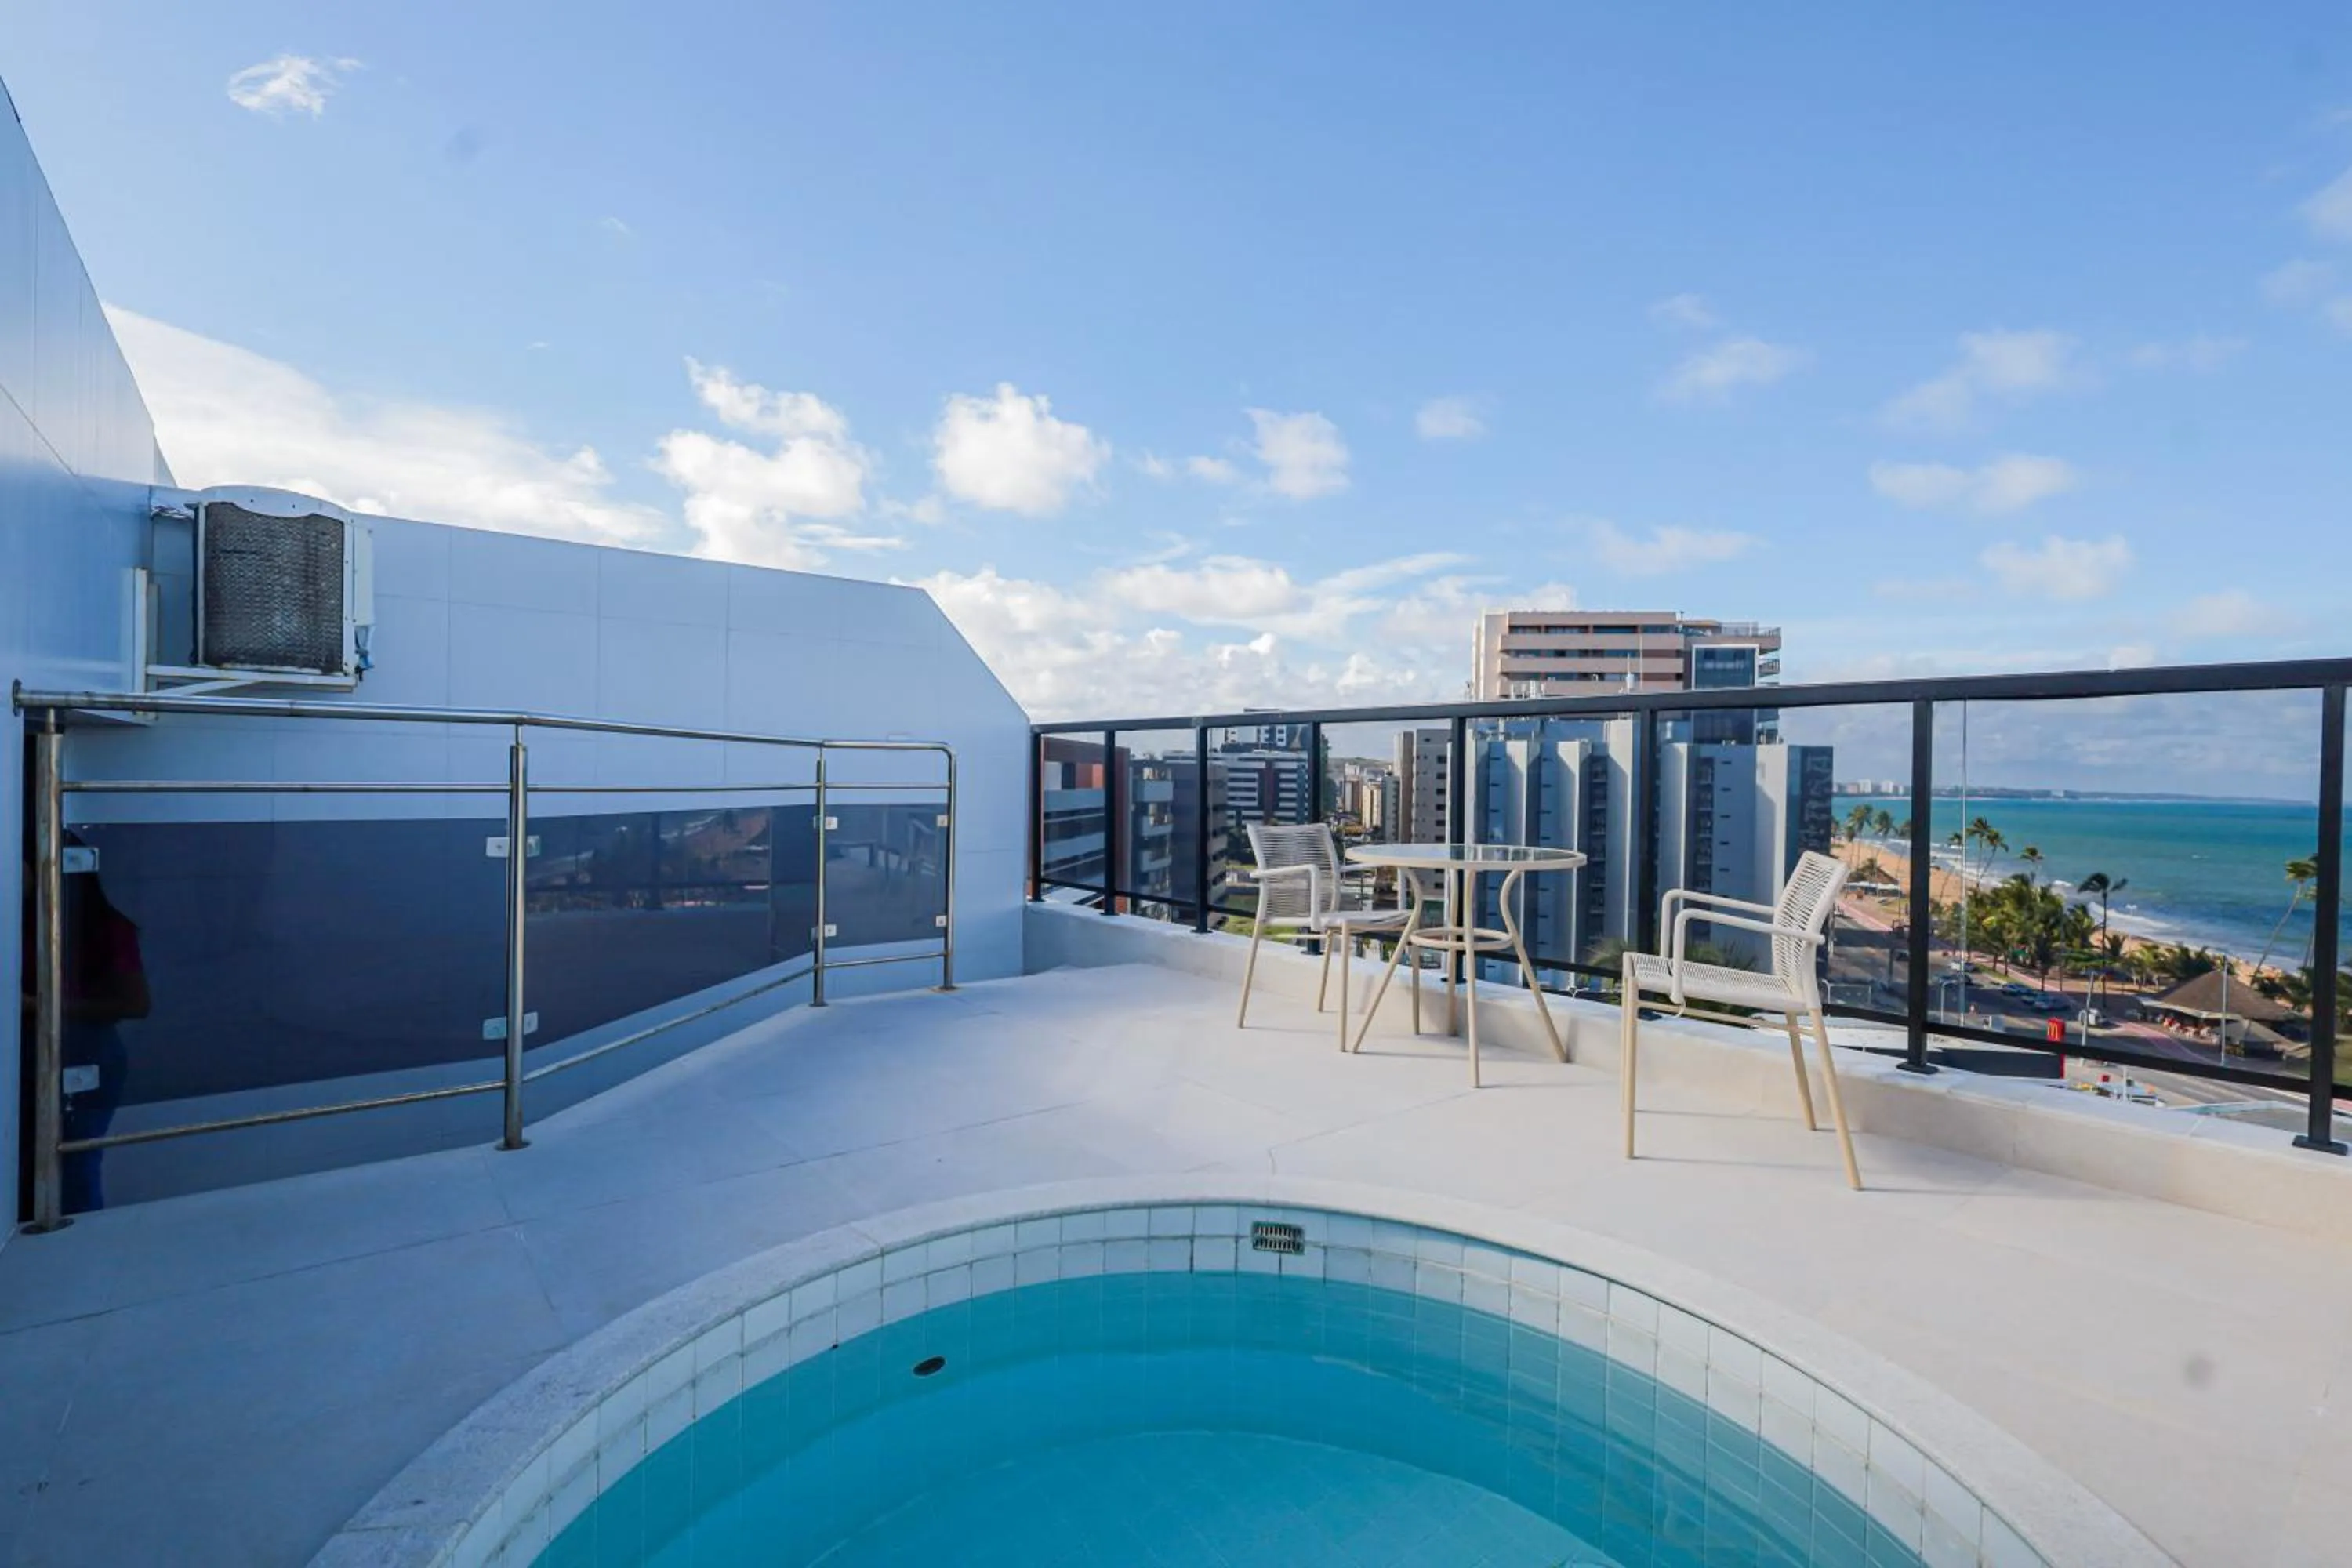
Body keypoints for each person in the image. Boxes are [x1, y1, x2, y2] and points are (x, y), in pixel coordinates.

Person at [19, 833, 147, 1213]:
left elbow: (136, 1004)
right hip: (39, 1053)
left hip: (87, 1054)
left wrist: (37, 1006)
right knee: (29, 1167)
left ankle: (79, 1240)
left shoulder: (105, 927)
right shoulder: (18, 922)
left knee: (75, 1168)